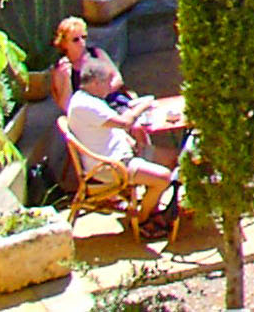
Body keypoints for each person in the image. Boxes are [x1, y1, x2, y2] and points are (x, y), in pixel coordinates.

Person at [65, 58, 174, 235]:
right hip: (113, 166)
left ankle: (152, 207)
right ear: (96, 82)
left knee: (174, 158)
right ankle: (142, 218)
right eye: (108, 82)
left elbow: (110, 128)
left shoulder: (89, 98)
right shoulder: (86, 106)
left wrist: (130, 141)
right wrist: (144, 105)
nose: (111, 86)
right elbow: (125, 122)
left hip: (125, 153)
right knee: (163, 177)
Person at [48, 16, 123, 115]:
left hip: (112, 100)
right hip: (90, 113)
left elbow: (117, 78)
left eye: (83, 37)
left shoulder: (97, 54)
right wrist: (67, 78)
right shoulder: (62, 68)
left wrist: (103, 92)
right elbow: (66, 106)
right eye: (75, 40)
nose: (82, 42)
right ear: (64, 44)